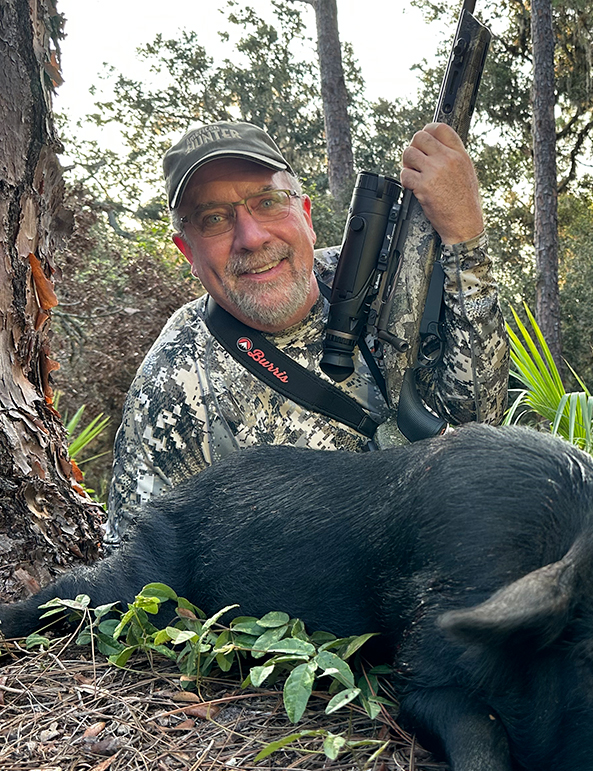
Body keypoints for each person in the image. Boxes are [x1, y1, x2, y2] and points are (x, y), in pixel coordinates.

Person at [104, 120, 508, 547]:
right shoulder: (171, 382)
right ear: (187, 250)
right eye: (214, 219)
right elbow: (136, 576)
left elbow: (482, 425)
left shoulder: (392, 276)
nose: (252, 238)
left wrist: (466, 239)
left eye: (268, 202)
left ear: (307, 215)